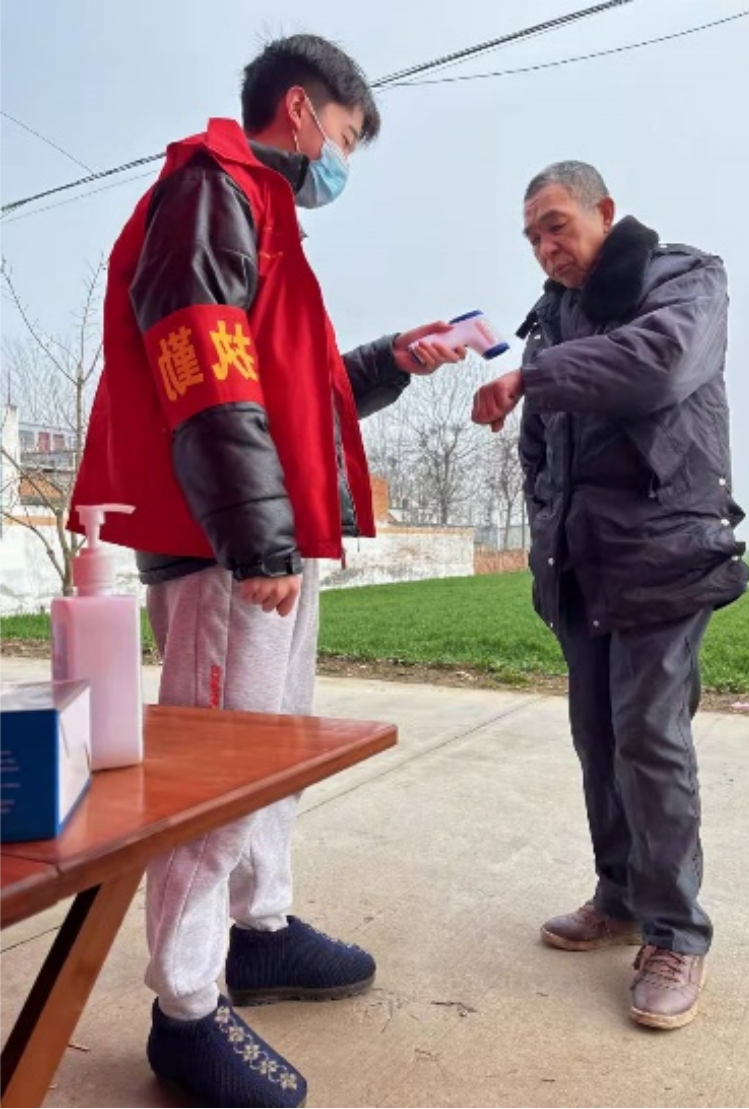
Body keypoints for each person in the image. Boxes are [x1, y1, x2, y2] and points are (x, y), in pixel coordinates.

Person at [70, 34, 463, 1108]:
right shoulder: (211, 190)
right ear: (301, 110)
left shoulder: (259, 213)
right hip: (224, 546)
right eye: (347, 136)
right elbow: (201, 361)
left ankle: (260, 929)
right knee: (219, 767)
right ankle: (186, 1008)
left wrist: (394, 358)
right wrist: (256, 538)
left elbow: (295, 392)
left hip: (258, 534)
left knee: (267, 752)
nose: (344, 161)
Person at [472, 161, 749, 1031]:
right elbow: (537, 450)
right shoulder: (549, 320)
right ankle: (620, 895)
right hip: (579, 559)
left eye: (556, 224)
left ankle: (676, 934)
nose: (544, 247)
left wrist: (534, 377)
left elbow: (658, 365)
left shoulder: (684, 279)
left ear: (605, 212)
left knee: (650, 736)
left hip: (664, 552)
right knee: (597, 733)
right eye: (532, 237)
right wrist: (542, 528)